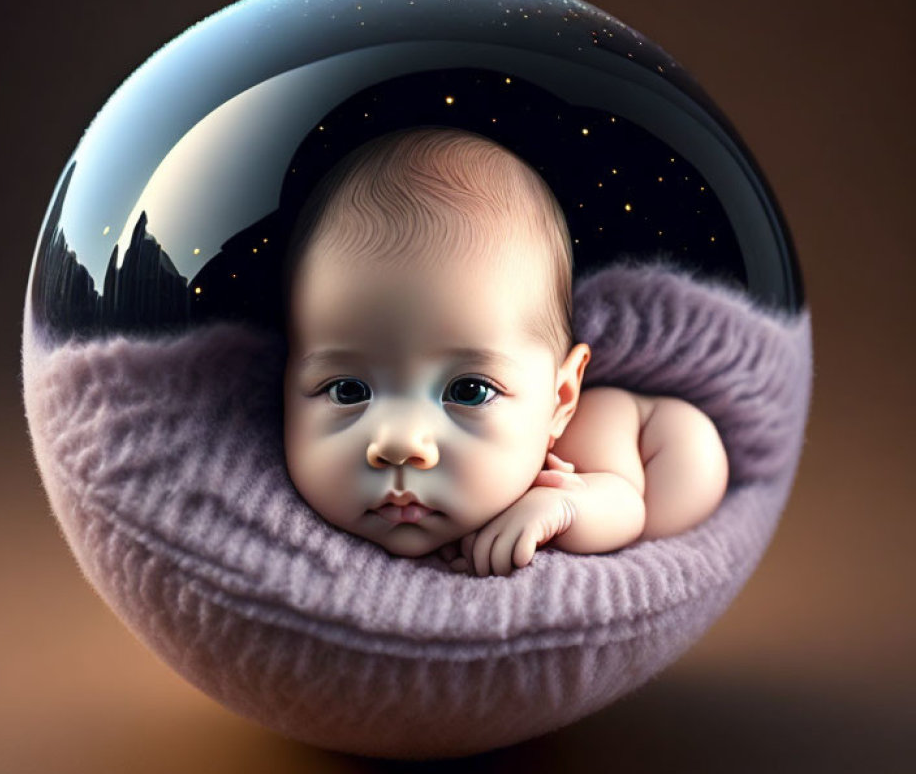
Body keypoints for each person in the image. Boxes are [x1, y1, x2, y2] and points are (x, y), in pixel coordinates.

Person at [282, 127, 728, 576]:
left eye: (470, 390)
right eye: (347, 390)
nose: (399, 445)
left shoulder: (568, 458)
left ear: (561, 399)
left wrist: (565, 506)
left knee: (686, 477)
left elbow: (626, 507)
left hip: (657, 444)